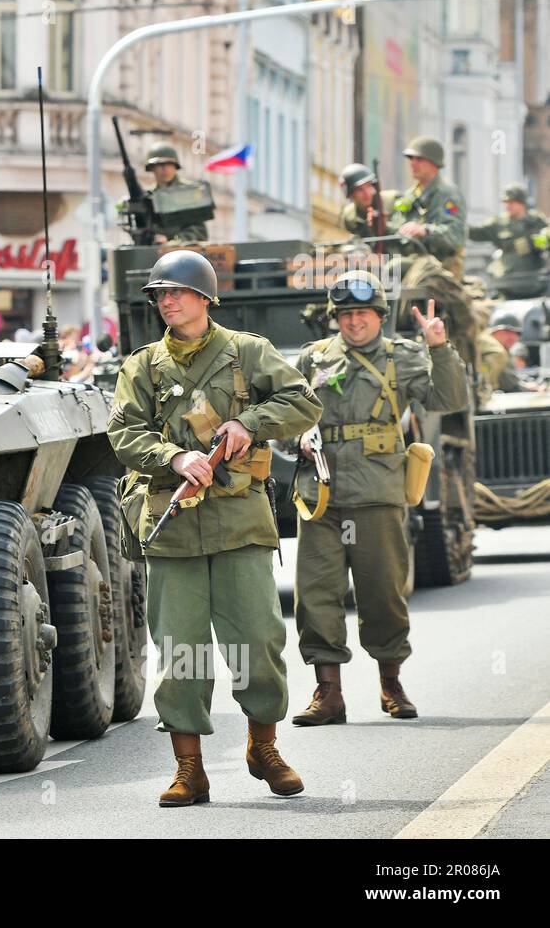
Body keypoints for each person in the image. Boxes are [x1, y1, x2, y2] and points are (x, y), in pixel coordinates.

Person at [108, 249, 321, 807]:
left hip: (239, 524)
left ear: (204, 298)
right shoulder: (141, 366)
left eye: (176, 292)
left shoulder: (247, 353)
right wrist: (175, 458)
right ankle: (189, 769)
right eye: (160, 295)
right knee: (180, 652)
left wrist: (248, 423)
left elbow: (304, 402)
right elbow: (122, 434)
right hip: (172, 526)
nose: (167, 302)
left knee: (259, 642)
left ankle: (263, 749)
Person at [290, 272, 468, 726]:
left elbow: (447, 399)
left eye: (363, 314)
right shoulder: (312, 358)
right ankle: (328, 692)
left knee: (383, 594)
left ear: (379, 317)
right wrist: (296, 441)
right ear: (336, 319)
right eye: (346, 315)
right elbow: (282, 412)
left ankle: (390, 683)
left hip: (378, 493)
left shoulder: (403, 357)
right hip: (321, 495)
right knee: (315, 596)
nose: (354, 323)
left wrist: (439, 348)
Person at [388, 136, 467, 280]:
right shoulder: (410, 195)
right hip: (413, 263)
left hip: (441, 267)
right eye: (411, 159)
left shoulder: (447, 194)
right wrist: (378, 223)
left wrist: (424, 230)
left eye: (419, 159)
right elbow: (398, 230)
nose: (413, 164)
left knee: (393, 268)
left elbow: (455, 236)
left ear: (434, 162)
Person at [468, 183, 550, 286]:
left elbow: (546, 240)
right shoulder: (499, 223)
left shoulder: (537, 221)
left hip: (534, 277)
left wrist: (532, 243)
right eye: (506, 202)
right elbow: (474, 232)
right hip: (507, 279)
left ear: (521, 202)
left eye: (511, 202)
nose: (507, 206)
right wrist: (453, 214)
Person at [143, 142, 213, 244]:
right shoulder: (148, 196)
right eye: (160, 165)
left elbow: (199, 232)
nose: (165, 169)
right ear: (152, 168)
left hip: (183, 251)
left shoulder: (189, 191)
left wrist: (172, 242)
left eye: (169, 164)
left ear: (175, 166)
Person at [337, 163, 398, 240]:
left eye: (369, 186)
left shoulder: (393, 201)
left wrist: (384, 226)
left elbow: (405, 235)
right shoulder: (349, 216)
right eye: (359, 190)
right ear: (351, 195)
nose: (366, 193)